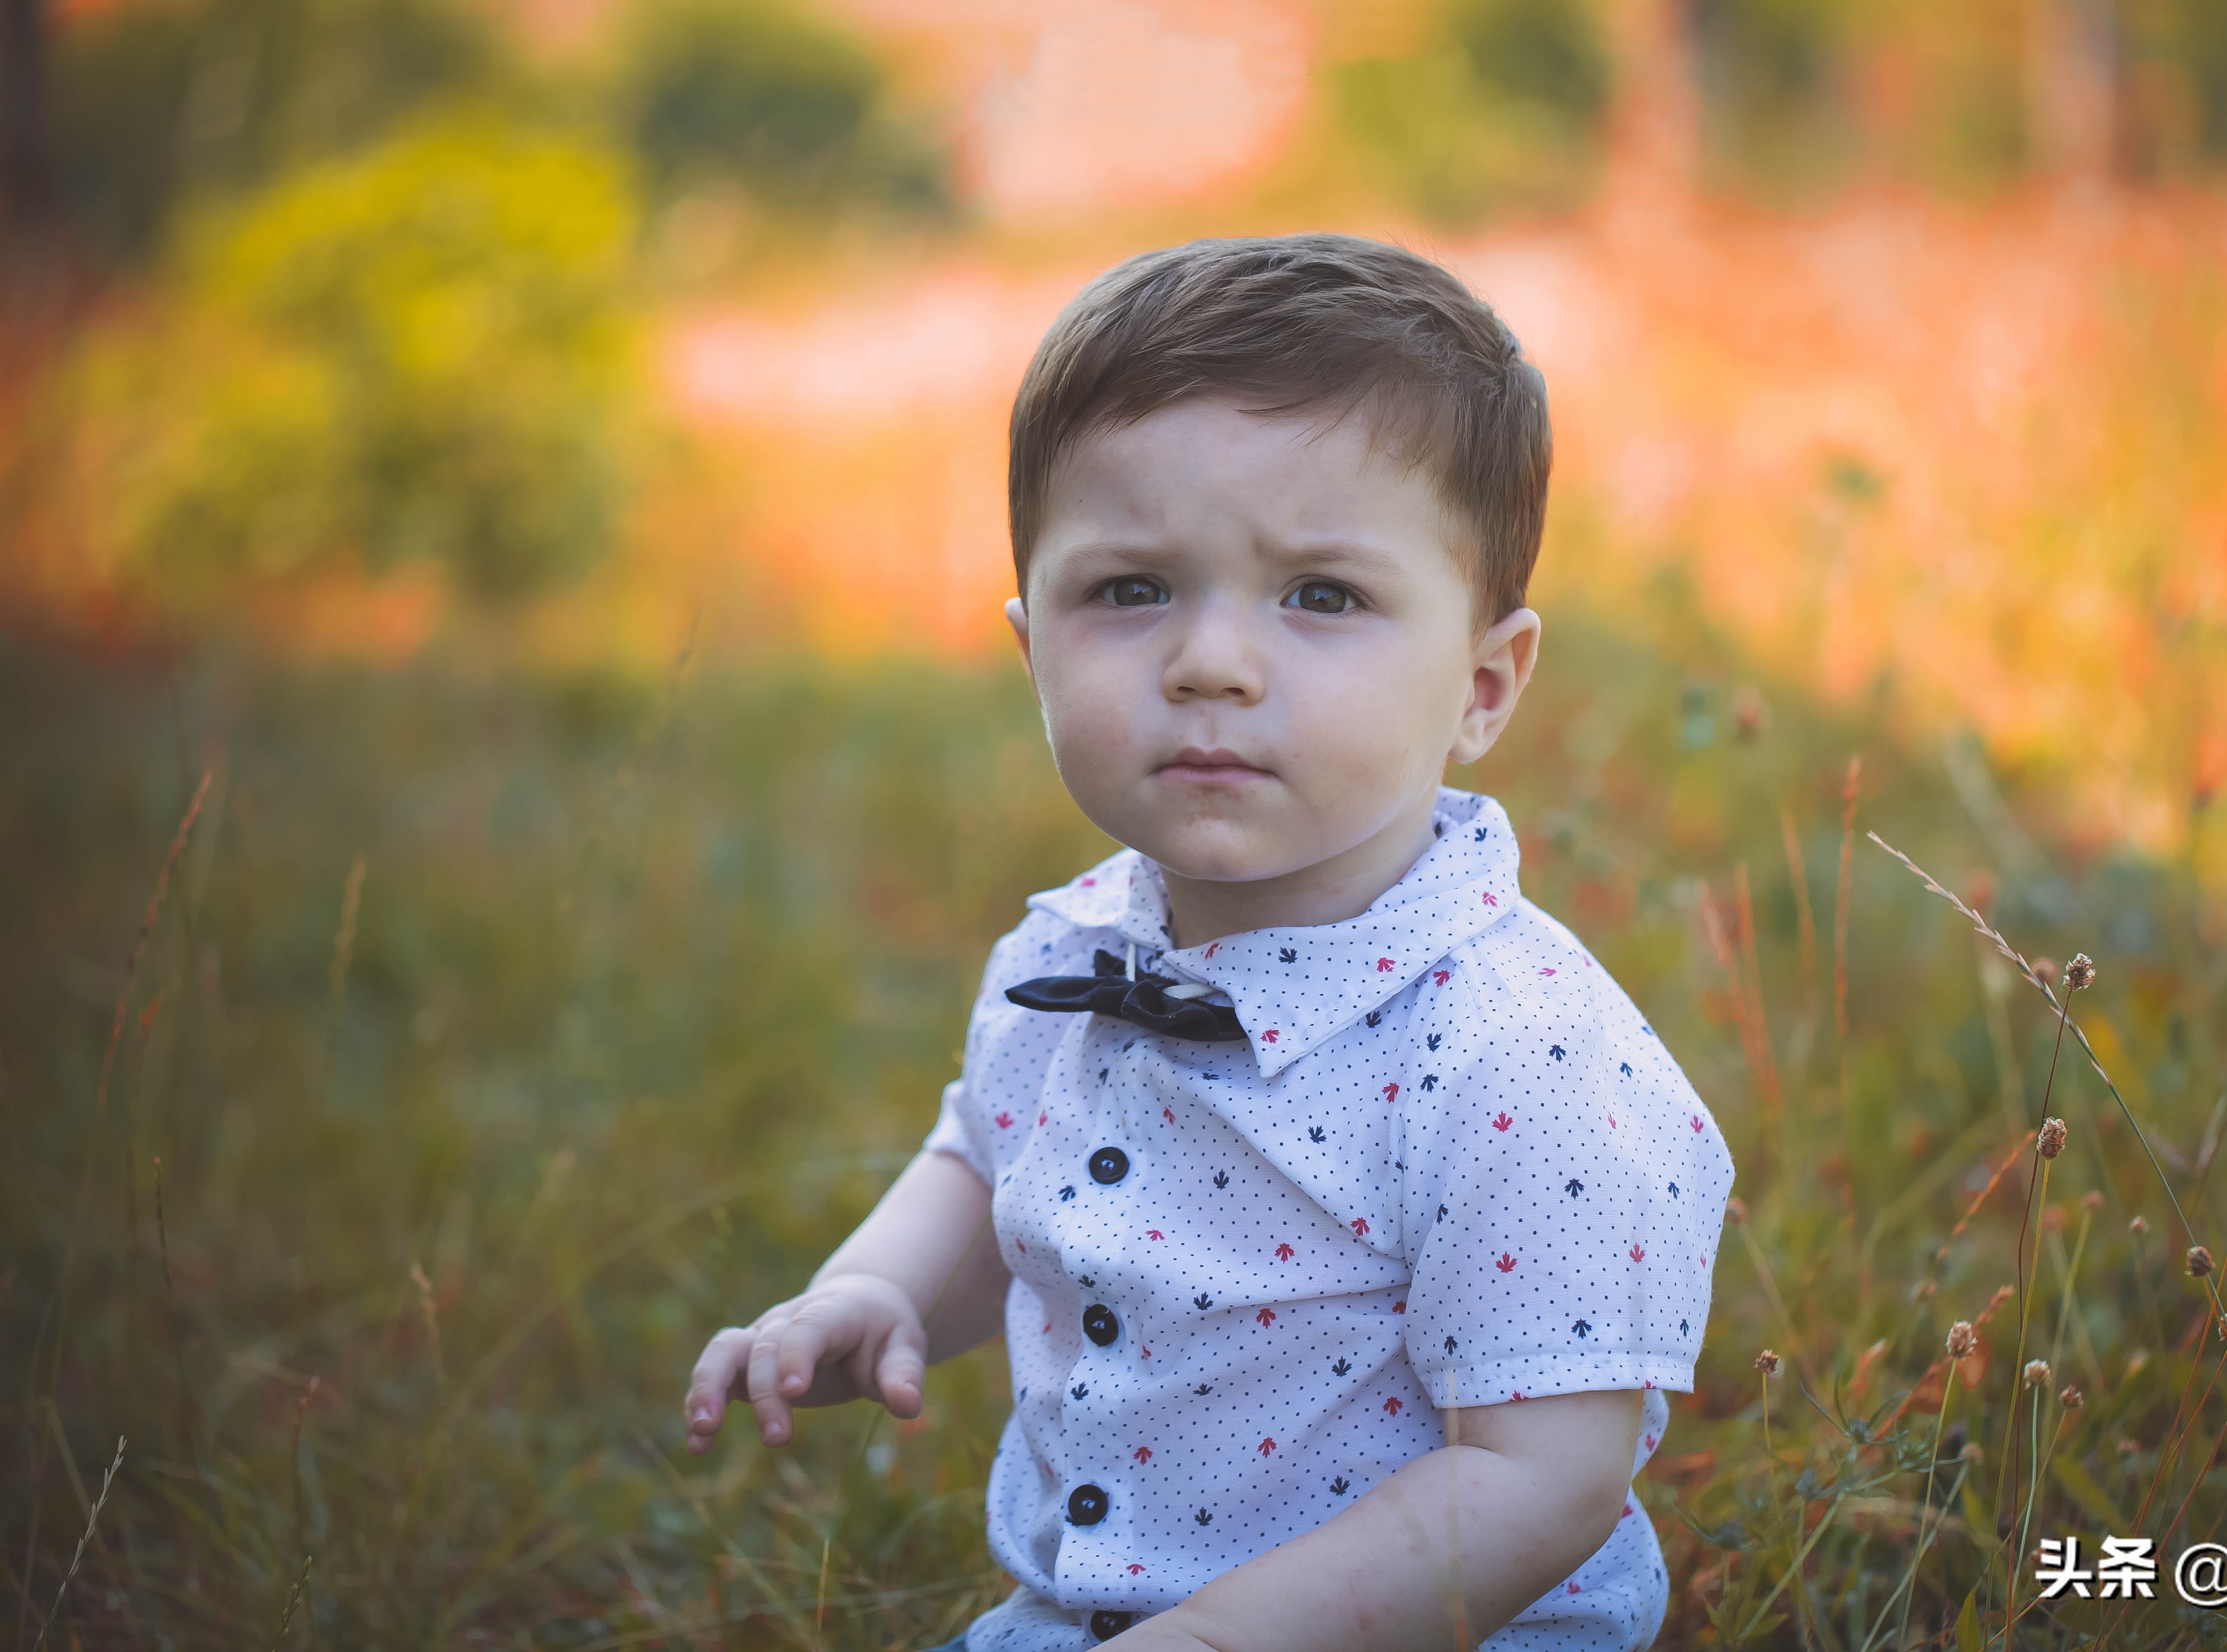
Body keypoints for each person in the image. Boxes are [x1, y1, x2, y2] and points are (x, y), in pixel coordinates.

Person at [681, 233, 1735, 1651]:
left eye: (1322, 596)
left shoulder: (1522, 1059)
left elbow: (1539, 1482)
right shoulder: (1069, 955)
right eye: (1132, 590)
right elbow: (987, 1156)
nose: (1211, 664)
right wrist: (879, 1288)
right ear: (1032, 649)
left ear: (1483, 685)